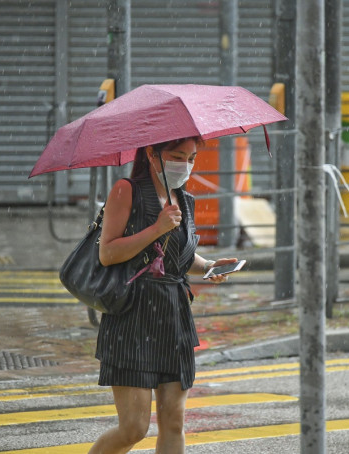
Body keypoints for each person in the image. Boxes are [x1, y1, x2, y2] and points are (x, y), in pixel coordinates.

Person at [89, 137, 238, 454]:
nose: (185, 165)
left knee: (173, 424)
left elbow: (178, 259)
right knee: (133, 428)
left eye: (192, 158)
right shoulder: (125, 191)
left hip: (174, 315)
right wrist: (156, 228)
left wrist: (208, 266)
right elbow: (107, 253)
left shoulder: (184, 200)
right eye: (177, 155)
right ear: (151, 154)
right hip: (132, 316)